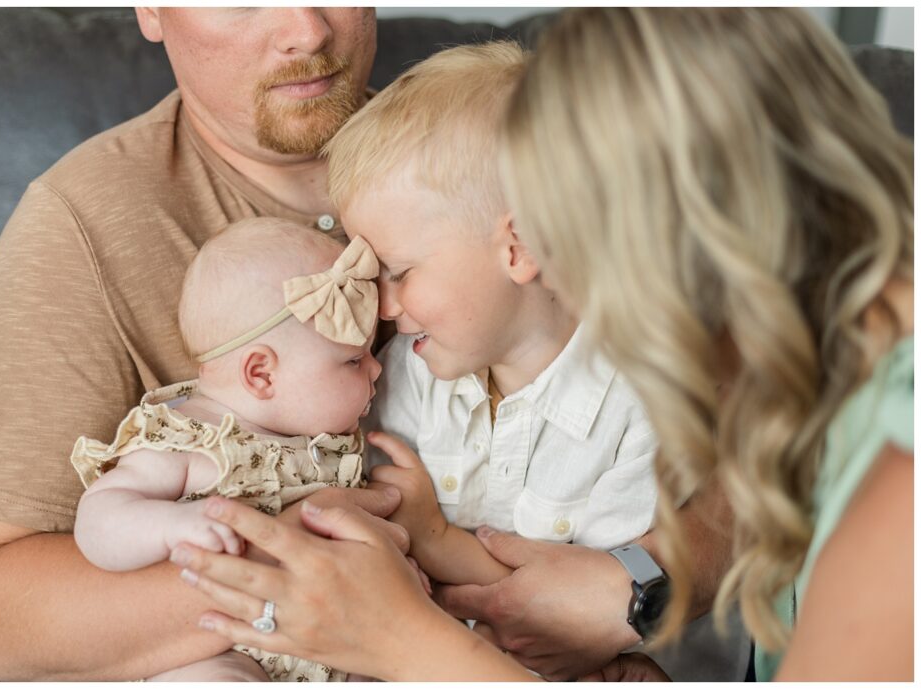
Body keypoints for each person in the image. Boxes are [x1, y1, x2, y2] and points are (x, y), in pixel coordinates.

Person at [169, 7, 913, 682]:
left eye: (565, 234)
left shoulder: (897, 466)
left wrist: (399, 637)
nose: (553, 278)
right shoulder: (837, 380)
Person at [0, 8, 408, 681]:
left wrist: (608, 590)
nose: (308, 28)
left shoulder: (482, 153)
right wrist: (294, 577)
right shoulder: (82, 224)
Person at [325, 40, 746, 680]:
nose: (381, 307)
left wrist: (433, 539)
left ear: (518, 246)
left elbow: (568, 602)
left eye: (398, 271)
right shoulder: (413, 373)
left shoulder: (641, 404)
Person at [72, 218, 383, 681]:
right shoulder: (188, 439)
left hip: (341, 647)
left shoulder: (333, 447)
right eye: (354, 360)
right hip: (227, 648)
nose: (376, 371)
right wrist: (171, 524)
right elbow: (96, 521)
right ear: (261, 374)